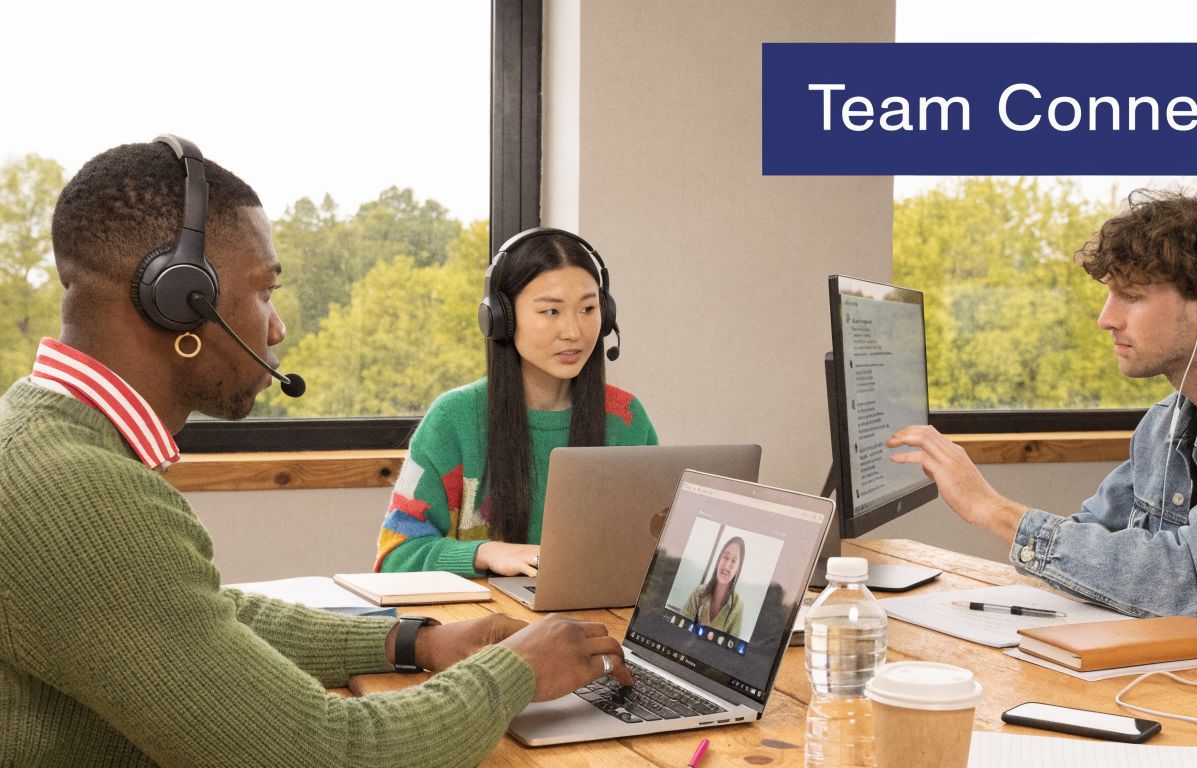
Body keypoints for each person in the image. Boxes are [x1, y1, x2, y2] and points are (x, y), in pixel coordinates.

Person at [0, 138, 632, 767]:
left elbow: (206, 615)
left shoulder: (44, 437)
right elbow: (332, 754)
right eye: (264, 291)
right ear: (180, 299)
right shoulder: (81, 494)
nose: (275, 328)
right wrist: (514, 671)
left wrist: (416, 642)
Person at [886, 189, 1197, 658]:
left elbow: (1189, 582)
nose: (1106, 318)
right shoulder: (1166, 421)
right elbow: (1094, 538)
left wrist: (992, 510)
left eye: (1131, 297)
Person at [375, 228, 658, 577]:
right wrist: (486, 553)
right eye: (551, 311)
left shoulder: (626, 418)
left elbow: (658, 547)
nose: (573, 331)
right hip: (486, 626)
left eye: (588, 308)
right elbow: (395, 558)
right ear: (501, 318)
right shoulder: (454, 419)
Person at [682, 537, 746, 636]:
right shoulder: (698, 592)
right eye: (725, 557)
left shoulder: (737, 606)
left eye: (733, 561)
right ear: (719, 559)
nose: (726, 565)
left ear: (738, 569)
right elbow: (680, 629)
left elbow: (730, 649)